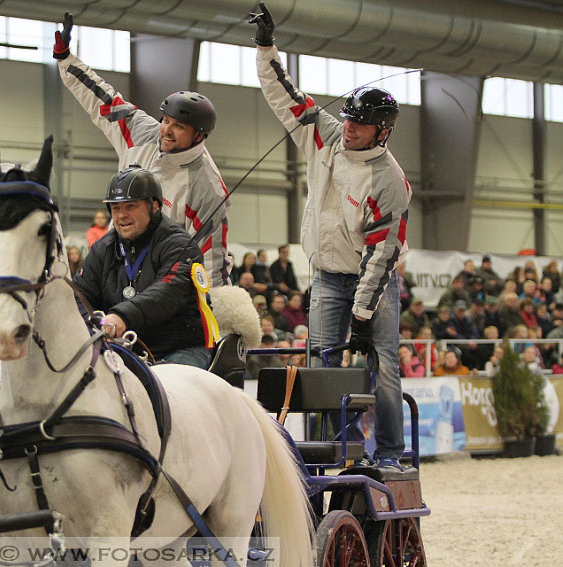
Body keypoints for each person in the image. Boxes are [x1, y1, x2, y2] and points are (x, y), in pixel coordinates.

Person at [251, 3, 411, 471]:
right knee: (322, 368)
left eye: (359, 124)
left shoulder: (390, 181)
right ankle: (331, 454)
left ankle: (388, 455)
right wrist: (266, 48)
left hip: (373, 285)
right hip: (325, 277)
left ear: (381, 131)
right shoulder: (325, 136)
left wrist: (362, 314)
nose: (349, 128)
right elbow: (285, 95)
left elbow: (382, 256)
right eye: (347, 119)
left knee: (382, 367)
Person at [53, 13, 232, 288]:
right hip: (113, 263)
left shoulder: (207, 187)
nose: (167, 130)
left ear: (200, 135)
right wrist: (66, 59)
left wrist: (215, 318)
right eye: (167, 120)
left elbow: (213, 263)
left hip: (163, 284)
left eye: (179, 127)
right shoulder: (142, 131)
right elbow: (102, 98)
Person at [73, 166, 212, 369]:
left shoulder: (180, 244)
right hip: (122, 348)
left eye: (130, 206)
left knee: (165, 394)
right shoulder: (103, 248)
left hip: (178, 349)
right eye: (116, 208)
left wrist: (122, 316)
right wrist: (94, 324)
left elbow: (168, 292)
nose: (121, 216)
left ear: (154, 206)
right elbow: (80, 294)